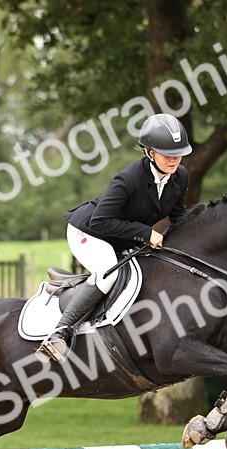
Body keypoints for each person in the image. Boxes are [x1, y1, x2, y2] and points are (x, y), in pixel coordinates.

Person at [36, 113, 192, 362]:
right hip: (88, 232)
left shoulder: (180, 176)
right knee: (109, 273)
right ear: (149, 152)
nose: (174, 159)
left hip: (120, 236)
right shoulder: (128, 179)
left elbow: (178, 214)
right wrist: (144, 233)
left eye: (179, 153)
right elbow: (100, 221)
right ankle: (59, 333)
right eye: (167, 153)